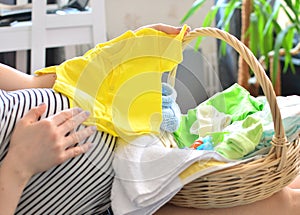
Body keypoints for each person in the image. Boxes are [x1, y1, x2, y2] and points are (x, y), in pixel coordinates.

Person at [1, 23, 300, 215]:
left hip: (139, 153)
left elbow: (32, 85)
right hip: (121, 201)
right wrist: (19, 164)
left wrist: (115, 55)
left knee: (281, 179)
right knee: (283, 203)